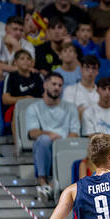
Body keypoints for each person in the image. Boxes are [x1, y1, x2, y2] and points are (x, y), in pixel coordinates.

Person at [27, 72, 80, 200]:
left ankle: (50, 186)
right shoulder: (33, 108)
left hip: (65, 144)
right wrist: (49, 134)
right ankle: (43, 182)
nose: (57, 88)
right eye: (53, 84)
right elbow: (32, 133)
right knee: (43, 140)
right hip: (45, 144)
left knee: (75, 144)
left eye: (60, 85)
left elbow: (74, 132)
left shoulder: (71, 107)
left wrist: (61, 142)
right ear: (45, 85)